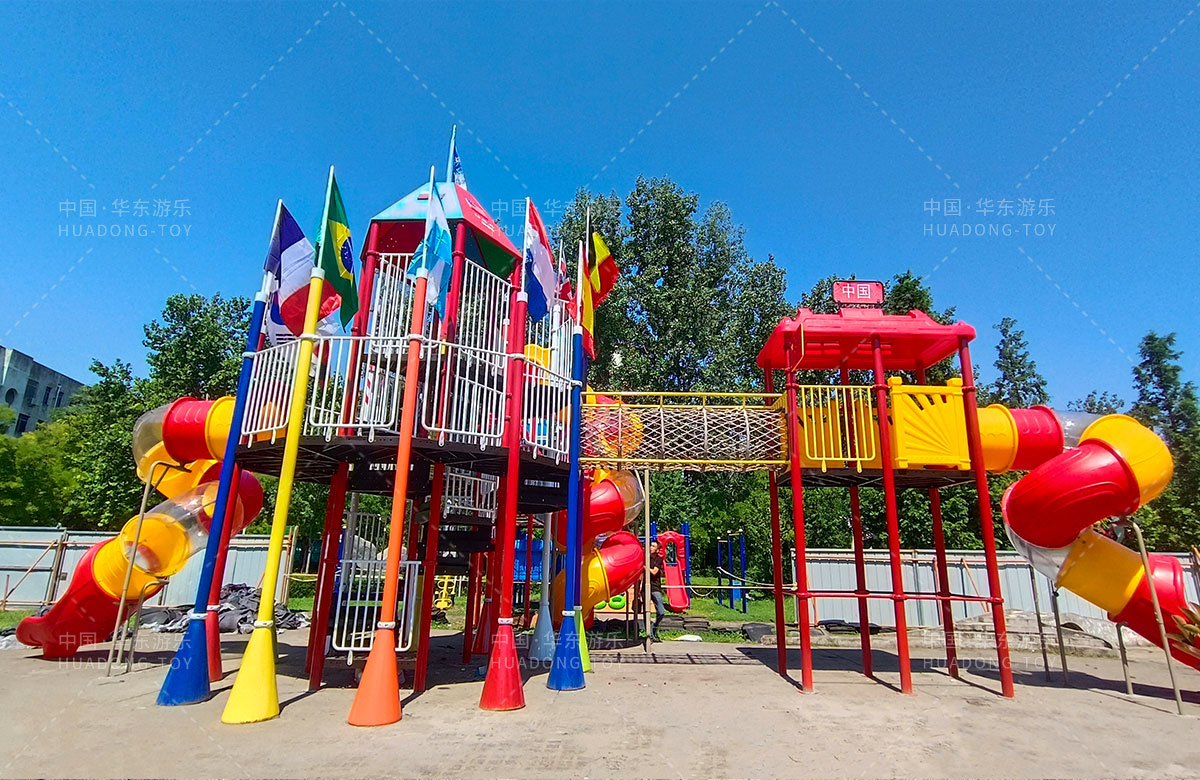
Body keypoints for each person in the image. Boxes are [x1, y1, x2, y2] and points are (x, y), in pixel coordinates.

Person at [648, 539, 665, 642]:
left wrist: (645, 567)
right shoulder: (646, 558)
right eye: (651, 545)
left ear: (658, 550)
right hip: (645, 588)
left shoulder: (659, 559)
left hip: (655, 587)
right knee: (645, 612)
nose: (651, 547)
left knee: (661, 611)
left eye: (653, 546)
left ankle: (654, 628)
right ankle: (649, 634)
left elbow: (654, 572)